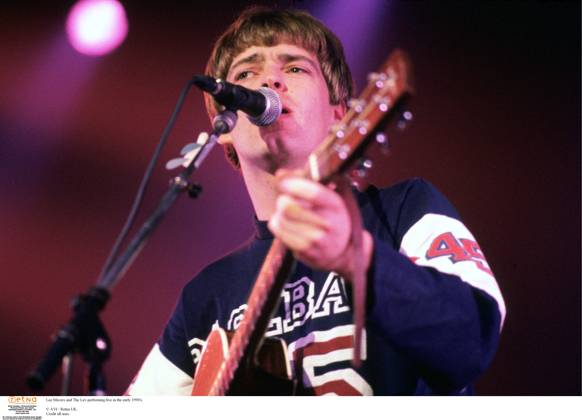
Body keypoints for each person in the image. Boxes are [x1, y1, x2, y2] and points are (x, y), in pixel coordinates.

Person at [126, 6, 506, 396]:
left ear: (340, 115)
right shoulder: (206, 296)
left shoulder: (405, 210)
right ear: (224, 128)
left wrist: (357, 257)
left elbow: (472, 339)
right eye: (245, 74)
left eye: (294, 68)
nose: (269, 79)